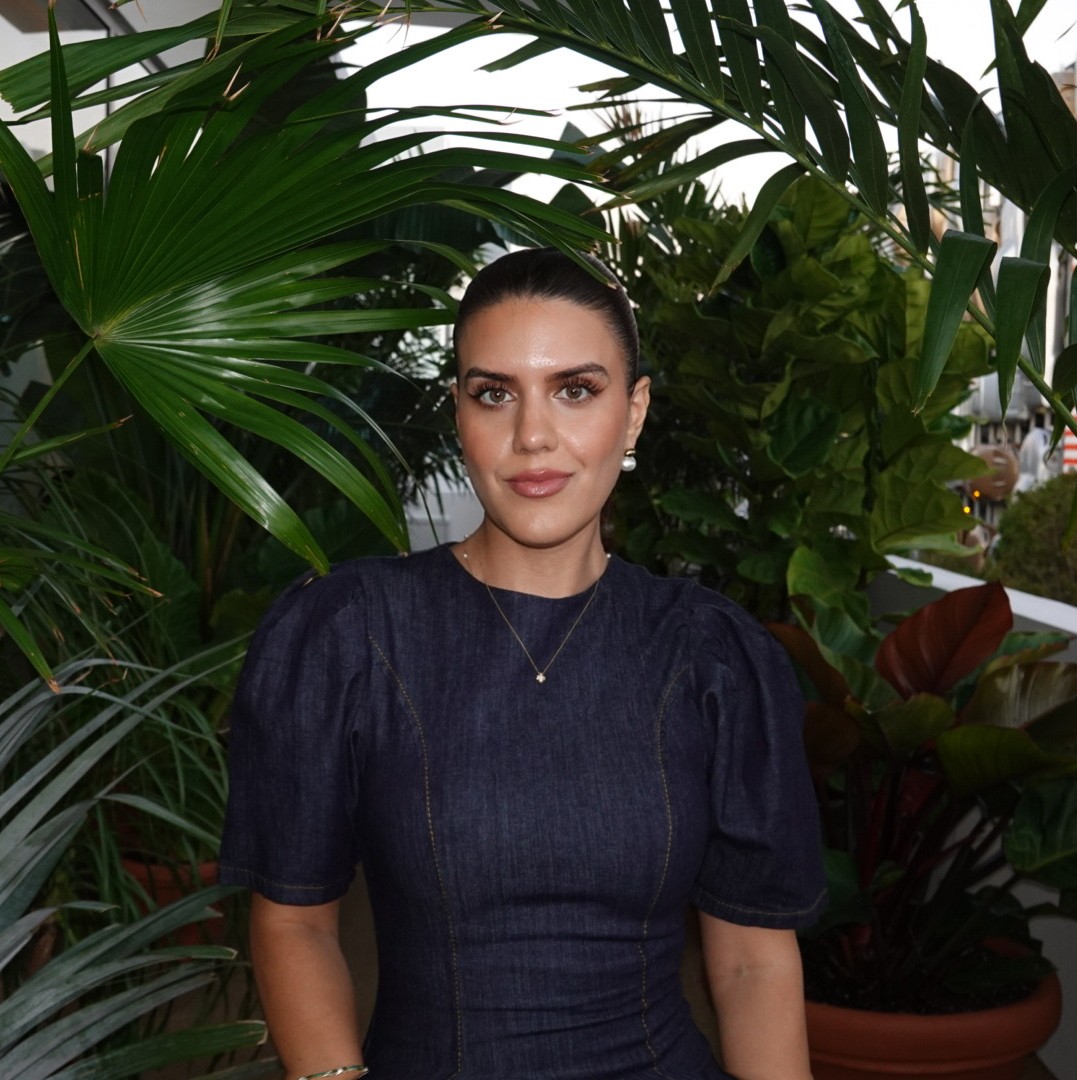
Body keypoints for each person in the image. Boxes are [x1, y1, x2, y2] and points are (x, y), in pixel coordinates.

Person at [219, 247, 826, 1080]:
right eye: (493, 393)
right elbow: (295, 923)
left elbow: (753, 963)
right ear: (459, 415)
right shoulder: (350, 633)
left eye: (576, 389)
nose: (532, 435)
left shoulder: (712, 656)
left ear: (636, 411)